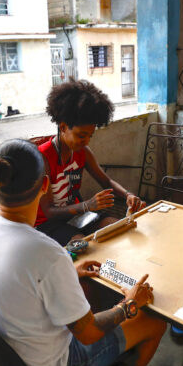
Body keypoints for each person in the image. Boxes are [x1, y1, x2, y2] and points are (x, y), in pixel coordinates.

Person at [0, 139, 167, 366]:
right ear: (45, 185)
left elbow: (20, 277)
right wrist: (129, 305)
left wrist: (68, 269)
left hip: (4, 361)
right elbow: (90, 333)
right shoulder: (45, 252)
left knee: (87, 294)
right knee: (154, 322)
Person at [35, 79, 146, 246]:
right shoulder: (43, 157)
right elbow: (49, 212)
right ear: (64, 127)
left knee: (118, 229)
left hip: (77, 215)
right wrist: (88, 205)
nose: (86, 141)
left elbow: (106, 181)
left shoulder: (82, 152)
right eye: (81, 135)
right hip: (47, 224)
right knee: (81, 245)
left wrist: (128, 195)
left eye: (90, 136)